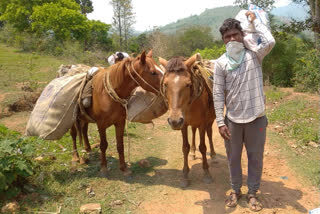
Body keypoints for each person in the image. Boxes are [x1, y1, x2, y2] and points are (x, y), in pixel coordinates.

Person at [213, 11, 275, 212]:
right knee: (233, 158)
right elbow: (218, 94)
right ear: (223, 40)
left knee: (255, 157)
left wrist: (254, 22)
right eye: (227, 37)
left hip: (256, 118)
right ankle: (235, 190)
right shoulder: (220, 63)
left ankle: (252, 193)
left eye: (235, 34)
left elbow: (270, 41)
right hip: (232, 120)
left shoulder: (255, 54)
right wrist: (220, 122)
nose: (232, 39)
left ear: (241, 35)